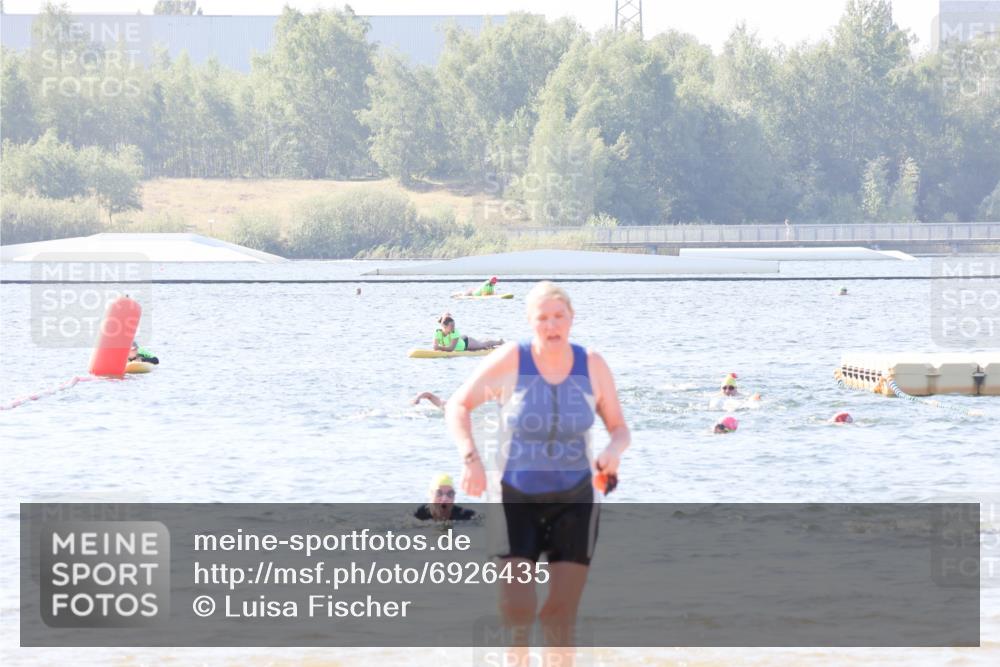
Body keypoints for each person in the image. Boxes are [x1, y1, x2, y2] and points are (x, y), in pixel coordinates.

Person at [446, 281, 630, 663]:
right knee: (517, 612)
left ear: (571, 318)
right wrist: (471, 459)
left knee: (559, 615)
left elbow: (619, 428)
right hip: (516, 498)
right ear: (530, 322)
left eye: (558, 316)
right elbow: (458, 405)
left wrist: (613, 451)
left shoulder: (591, 364)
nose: (551, 325)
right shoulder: (512, 360)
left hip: (575, 500)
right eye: (542, 318)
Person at [434, 315, 503, 352]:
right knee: (481, 344)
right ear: (444, 326)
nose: (453, 327)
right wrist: (437, 348)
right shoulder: (438, 332)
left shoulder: (455, 332)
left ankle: (499, 342)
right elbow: (435, 347)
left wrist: (439, 348)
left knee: (483, 345)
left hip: (466, 343)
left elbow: (451, 348)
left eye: (454, 325)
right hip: (460, 341)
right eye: (451, 326)